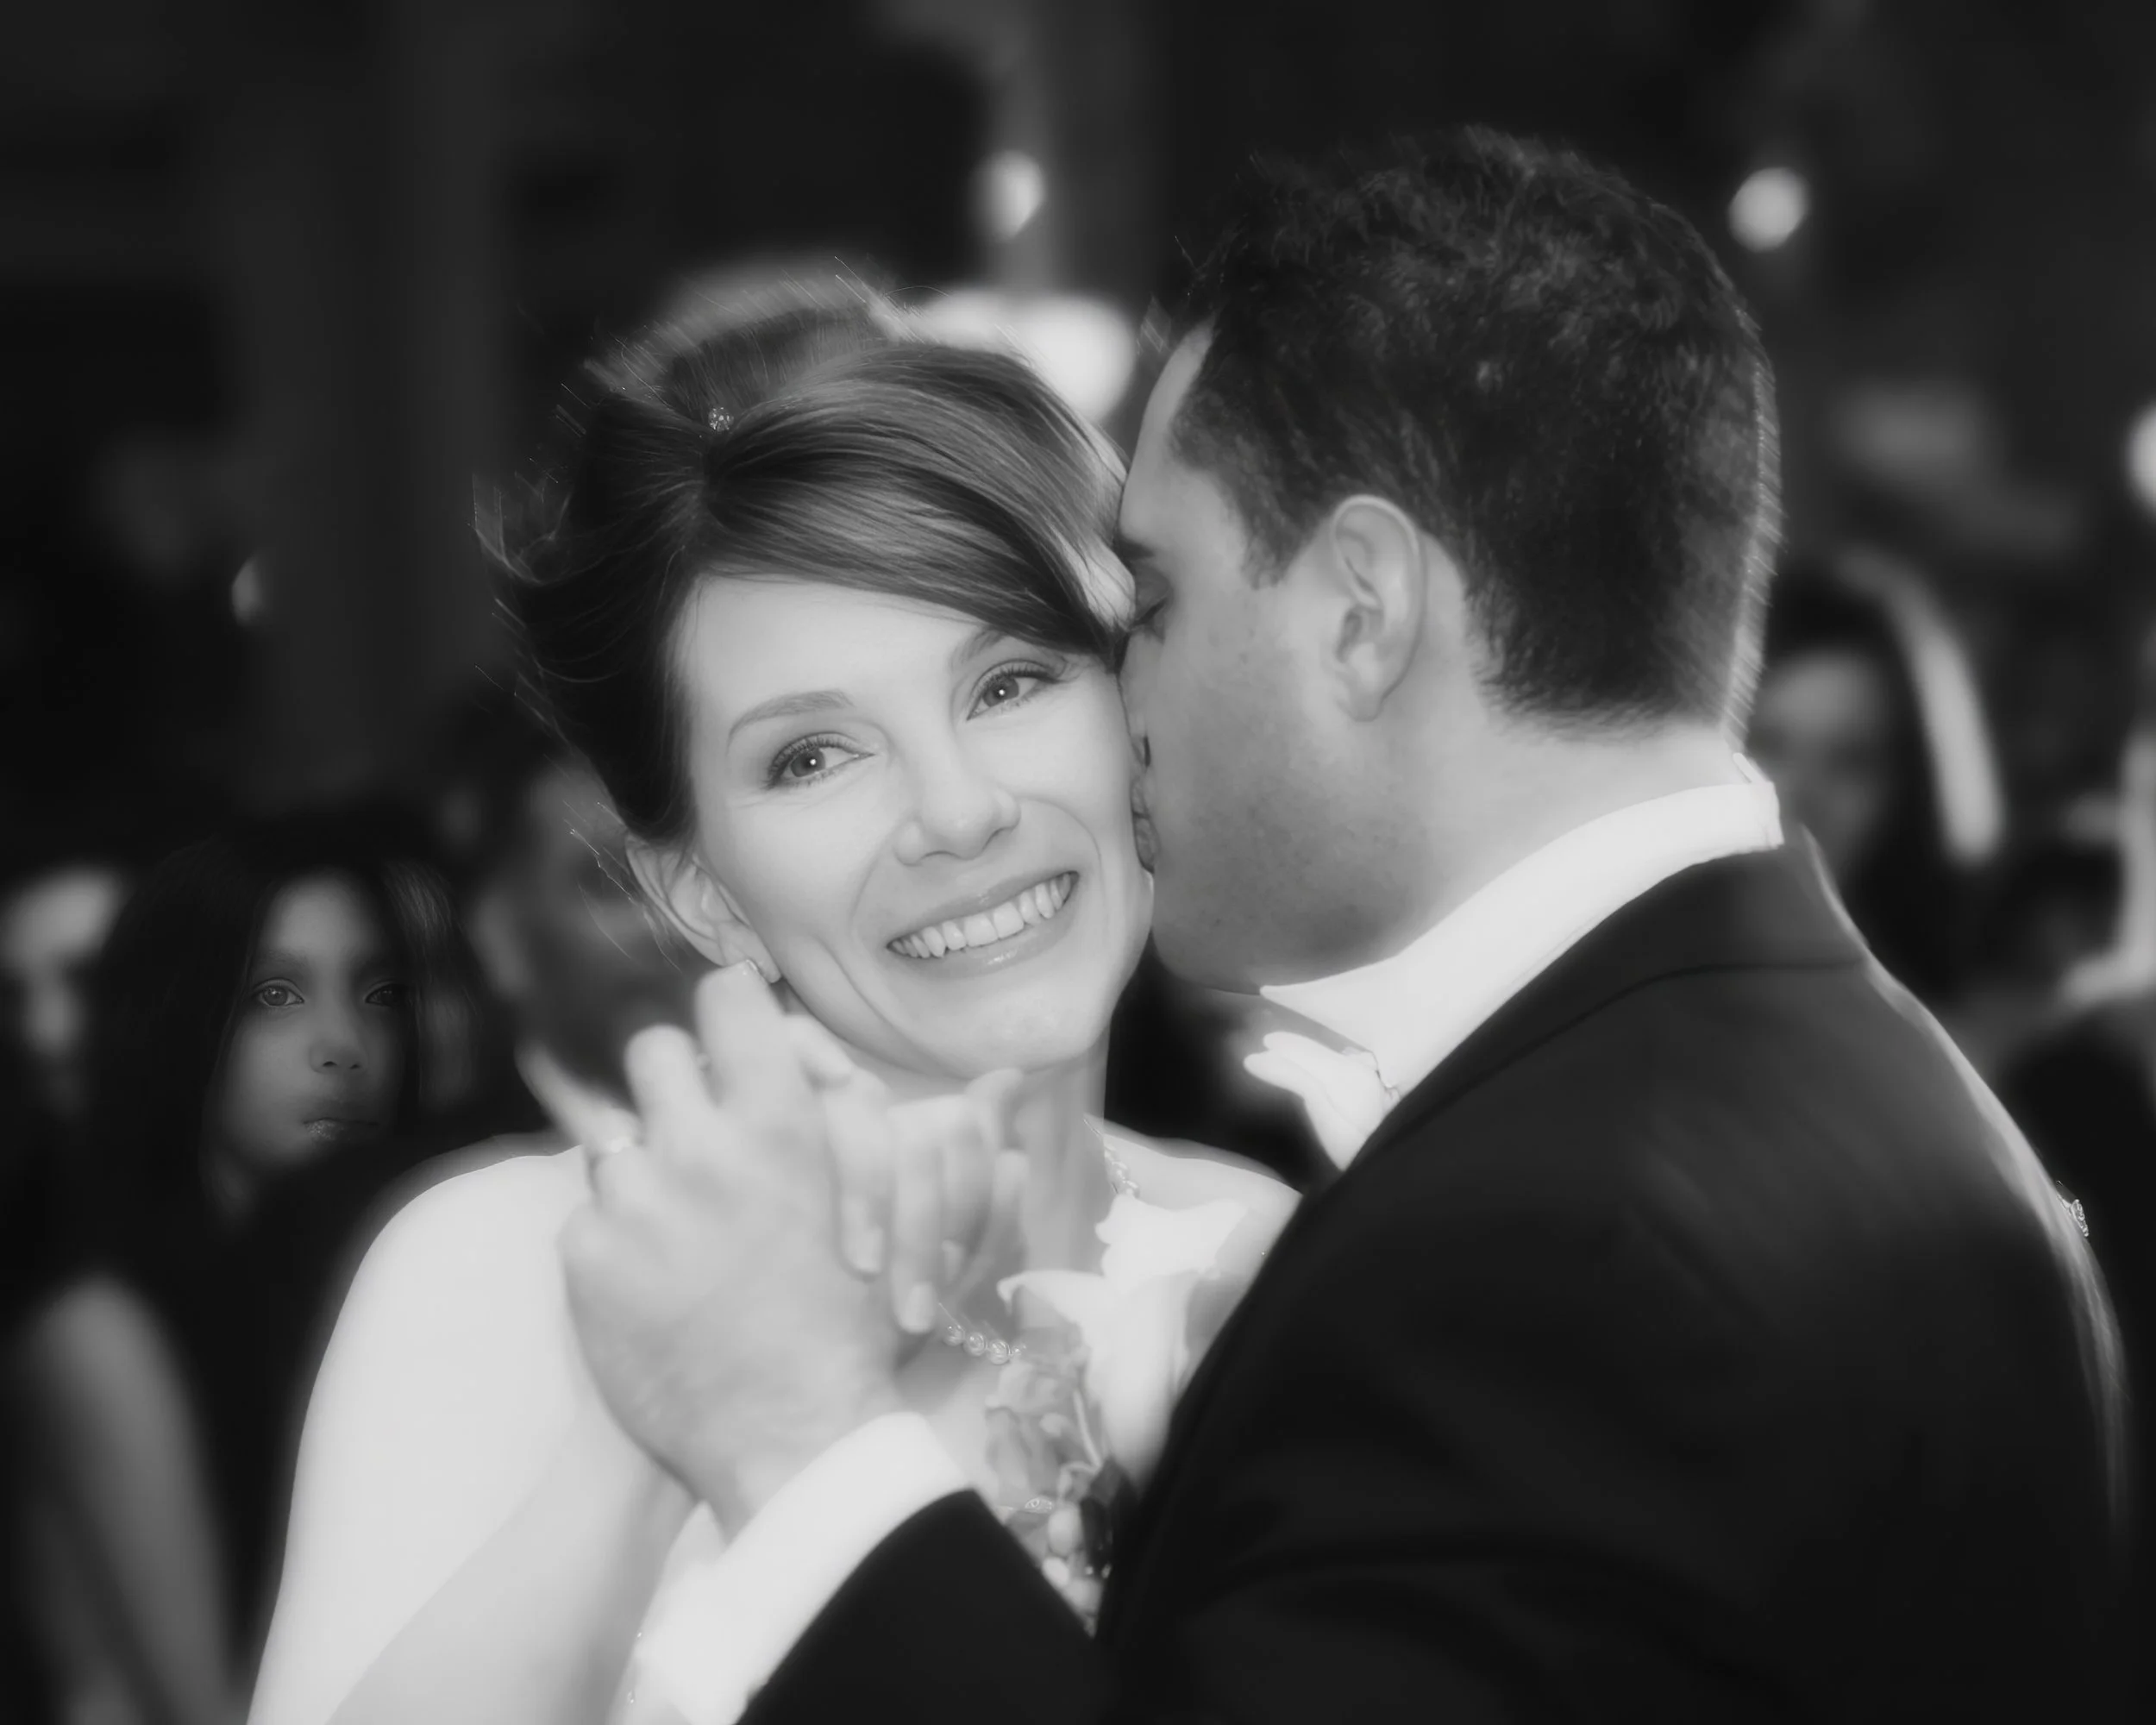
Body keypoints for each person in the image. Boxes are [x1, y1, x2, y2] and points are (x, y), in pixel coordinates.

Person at [546, 132, 2128, 1721]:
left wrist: (798, 1445)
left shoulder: (1538, 1251)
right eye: (815, 754)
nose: (1125, 697)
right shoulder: (1896, 1113)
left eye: (1151, 602)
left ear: (1360, 611)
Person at [248, 280, 1294, 1725]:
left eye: (1006, 683)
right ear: (698, 890)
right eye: (810, 758)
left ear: (1132, 710)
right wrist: (657, 1415)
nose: (958, 811)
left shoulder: (1264, 1268)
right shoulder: (505, 1271)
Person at [81, 812, 485, 1669]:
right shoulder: (108, 1329)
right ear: (180, 1012)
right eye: (276, 993)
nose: (343, 1045)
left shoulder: (416, 1281)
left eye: (379, 993)